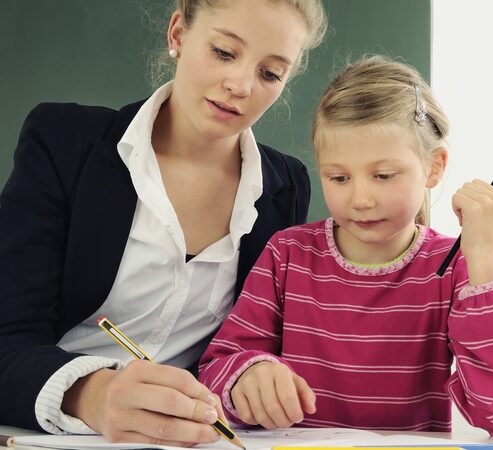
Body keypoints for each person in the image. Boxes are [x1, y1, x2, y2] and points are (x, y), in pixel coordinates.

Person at [0, 0, 327, 446]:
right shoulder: (64, 142)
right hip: (51, 434)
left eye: (270, 73)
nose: (240, 84)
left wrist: (256, 371)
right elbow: (6, 336)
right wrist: (88, 393)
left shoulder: (285, 186)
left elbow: (251, 340)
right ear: (177, 34)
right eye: (224, 52)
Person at [197, 56, 493, 437]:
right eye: (339, 177)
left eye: (383, 176)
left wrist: (486, 253)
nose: (360, 198)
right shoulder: (288, 254)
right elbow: (216, 369)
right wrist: (249, 375)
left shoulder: (457, 268)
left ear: (434, 167)